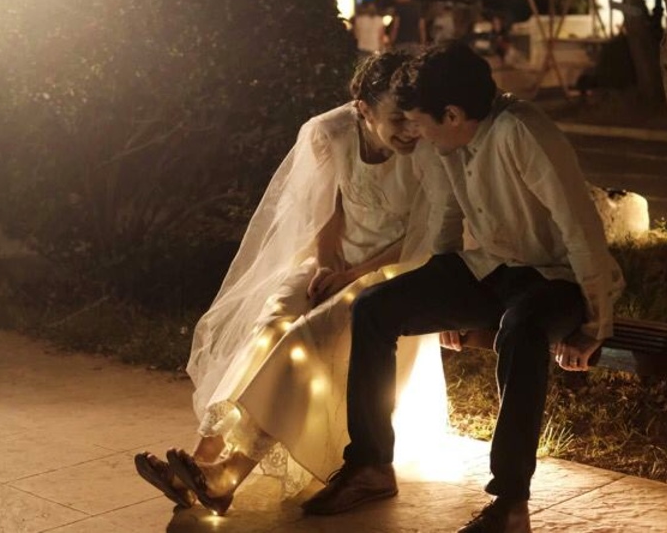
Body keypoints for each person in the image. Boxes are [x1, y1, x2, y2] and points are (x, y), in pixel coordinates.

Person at [301, 44, 625, 533]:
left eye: (419, 123)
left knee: (521, 330)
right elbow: (449, 218)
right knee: (373, 307)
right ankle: (370, 466)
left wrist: (596, 323)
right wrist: (444, 298)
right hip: (490, 269)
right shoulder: (451, 140)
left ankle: (510, 502)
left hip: (555, 277)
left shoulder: (522, 133)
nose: (414, 134)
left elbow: (581, 229)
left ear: (451, 114)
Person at [133, 50, 450, 515]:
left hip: (393, 273)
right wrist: (325, 265)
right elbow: (324, 211)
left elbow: (421, 239)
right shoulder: (330, 132)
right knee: (274, 320)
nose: (410, 129)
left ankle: (227, 475)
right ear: (363, 109)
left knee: (303, 341)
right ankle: (199, 461)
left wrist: (351, 277)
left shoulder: (427, 148)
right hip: (334, 260)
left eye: (413, 117)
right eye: (397, 118)